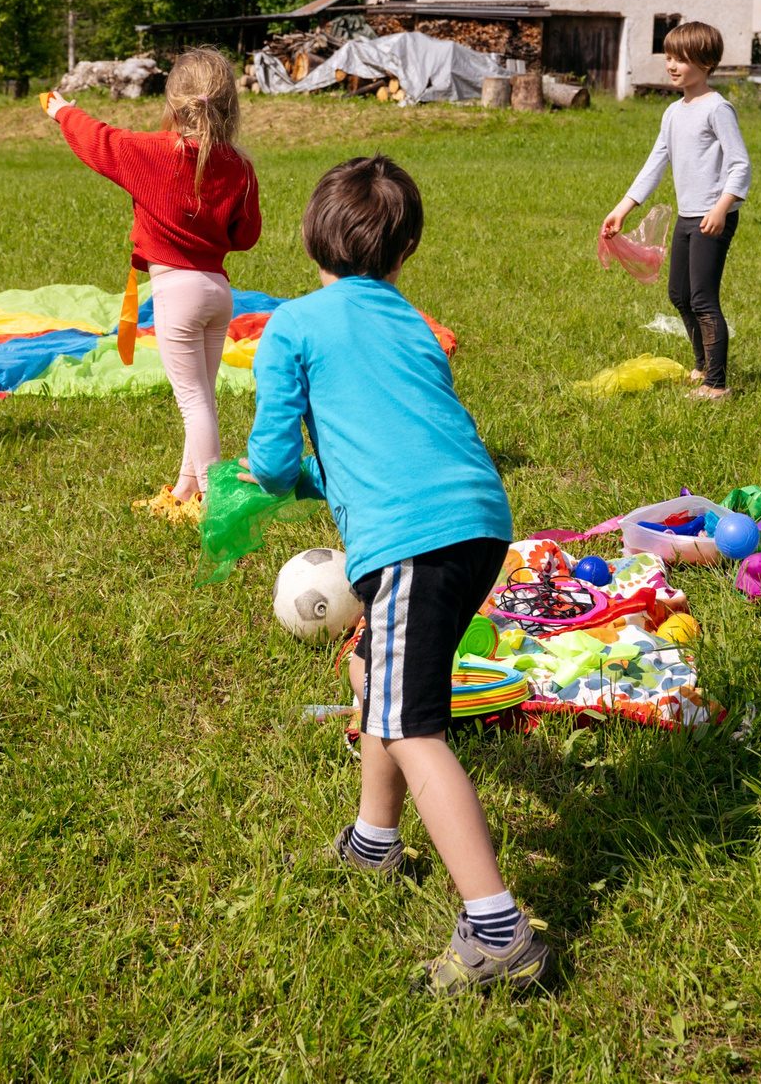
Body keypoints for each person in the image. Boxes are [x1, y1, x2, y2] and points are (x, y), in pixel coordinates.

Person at [244, 155, 542, 994]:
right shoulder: (414, 322)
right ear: (405, 249)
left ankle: (498, 931)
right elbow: (391, 436)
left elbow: (272, 460)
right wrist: (322, 477)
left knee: (414, 727)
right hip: (478, 520)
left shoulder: (292, 326)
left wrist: (261, 480)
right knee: (378, 670)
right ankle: (375, 841)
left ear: (310, 239)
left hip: (413, 539)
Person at [44, 48, 261, 502]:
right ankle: (184, 491)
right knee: (201, 396)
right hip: (218, 293)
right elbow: (245, 236)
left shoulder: (148, 153)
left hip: (177, 294)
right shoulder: (240, 167)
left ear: (173, 102)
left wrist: (62, 110)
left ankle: (213, 499)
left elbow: (96, 139)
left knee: (193, 401)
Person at [601, 20, 751, 398]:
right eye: (668, 57)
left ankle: (717, 384)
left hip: (712, 219)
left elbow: (740, 164)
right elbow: (656, 162)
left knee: (702, 298)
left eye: (680, 59)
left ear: (705, 62)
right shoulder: (673, 112)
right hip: (688, 216)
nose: (671, 65)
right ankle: (702, 367)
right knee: (679, 296)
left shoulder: (718, 108)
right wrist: (624, 207)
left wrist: (721, 208)